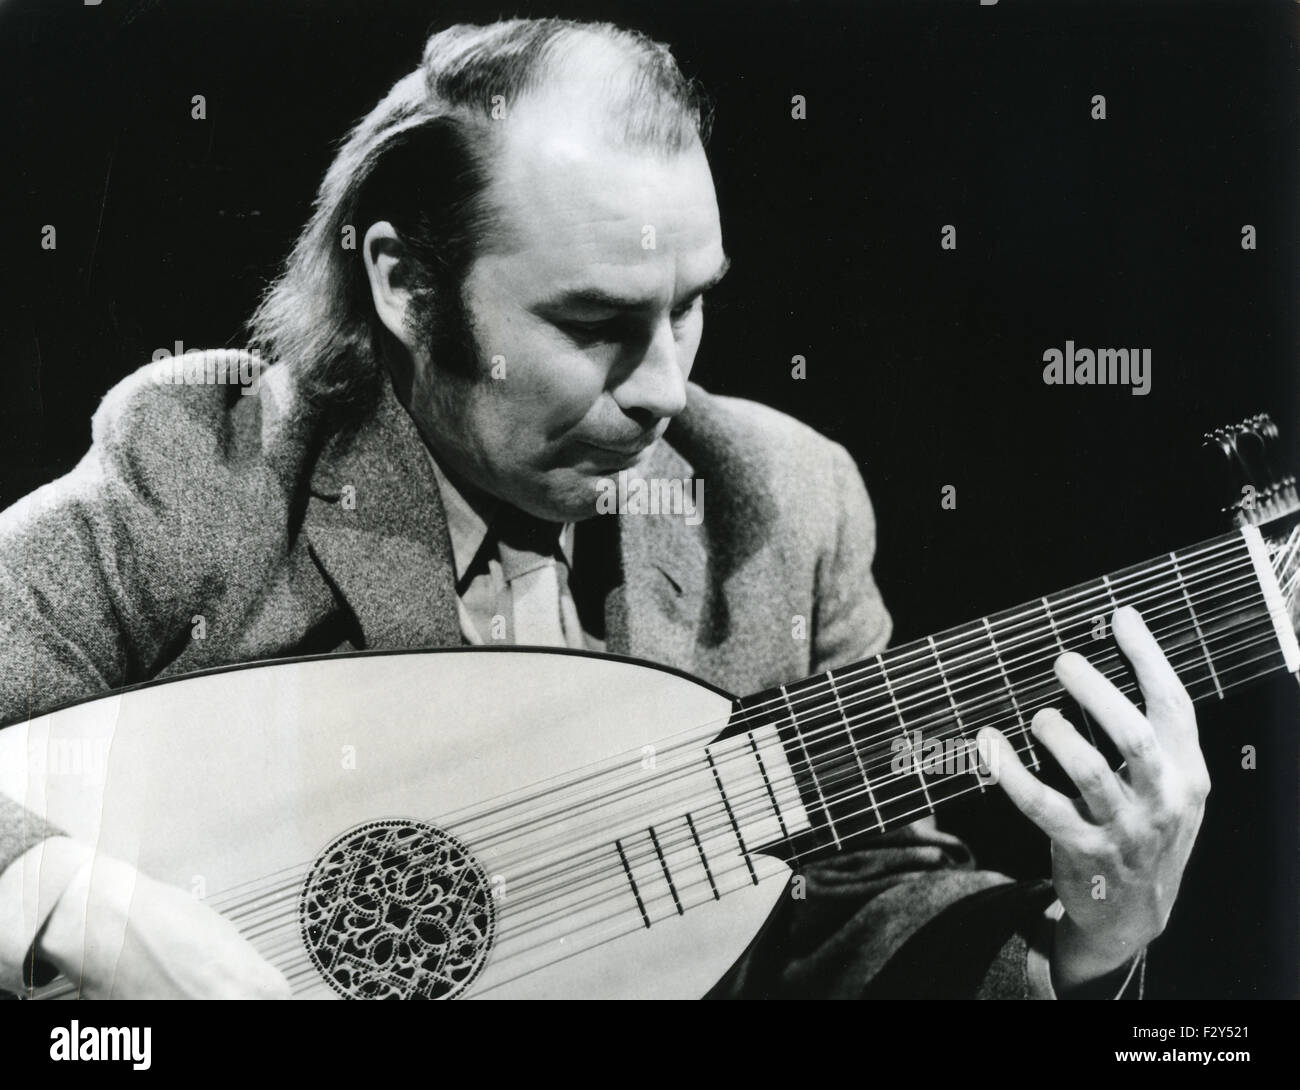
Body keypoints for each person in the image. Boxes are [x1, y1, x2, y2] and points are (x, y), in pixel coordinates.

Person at [0, 17, 1209, 999]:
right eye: (594, 325)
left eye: (688, 306)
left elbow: (852, 910)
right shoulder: (206, 467)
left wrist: (1091, 939)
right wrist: (88, 910)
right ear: (408, 286)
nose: (664, 387)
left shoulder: (781, 501)